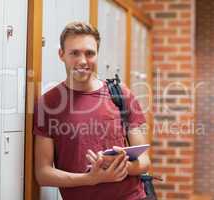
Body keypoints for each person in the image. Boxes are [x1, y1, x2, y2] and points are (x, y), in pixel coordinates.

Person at [33, 21, 151, 200]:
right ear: (61, 54)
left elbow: (144, 161)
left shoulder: (122, 94)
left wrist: (118, 166)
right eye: (74, 53)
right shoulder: (48, 103)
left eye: (89, 53)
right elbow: (43, 173)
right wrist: (91, 179)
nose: (82, 61)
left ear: (97, 54)